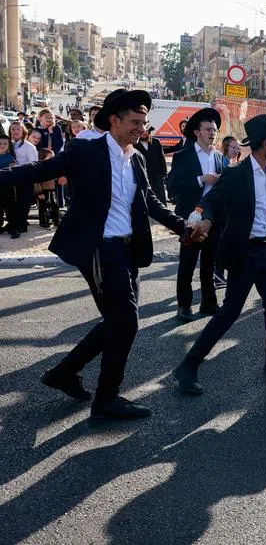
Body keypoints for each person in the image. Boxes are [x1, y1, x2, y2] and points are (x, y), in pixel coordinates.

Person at [0, 89, 199, 419]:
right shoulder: (85, 150)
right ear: (114, 120)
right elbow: (36, 170)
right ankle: (107, 398)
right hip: (98, 247)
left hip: (128, 249)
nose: (141, 128)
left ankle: (65, 372)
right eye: (135, 122)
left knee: (118, 321)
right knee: (126, 320)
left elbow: (149, 200)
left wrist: (182, 227)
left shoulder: (135, 158)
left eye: (144, 122)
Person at [172, 115, 266, 394]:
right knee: (229, 313)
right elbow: (211, 200)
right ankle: (188, 365)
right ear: (265, 143)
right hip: (245, 254)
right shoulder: (237, 173)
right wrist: (201, 218)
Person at [167, 108, 225, 322]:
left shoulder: (221, 158)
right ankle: (184, 306)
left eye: (215, 130)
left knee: (210, 263)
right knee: (188, 263)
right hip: (191, 218)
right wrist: (201, 179)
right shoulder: (184, 156)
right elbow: (172, 185)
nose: (212, 133)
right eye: (208, 129)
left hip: (213, 219)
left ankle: (209, 303)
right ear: (197, 132)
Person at [6, 121, 37, 237]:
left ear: (23, 130)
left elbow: (33, 164)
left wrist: (17, 166)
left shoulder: (29, 146)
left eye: (18, 129)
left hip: (25, 178)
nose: (15, 131)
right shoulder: (11, 144)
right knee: (14, 202)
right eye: (13, 129)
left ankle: (22, 225)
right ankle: (14, 223)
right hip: (12, 178)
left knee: (24, 202)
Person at [138, 126, 169, 204]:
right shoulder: (134, 144)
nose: (144, 133)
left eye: (146, 131)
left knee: (160, 199)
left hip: (157, 176)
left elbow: (161, 158)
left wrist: (164, 174)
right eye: (143, 132)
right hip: (142, 176)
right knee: (145, 199)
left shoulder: (156, 142)